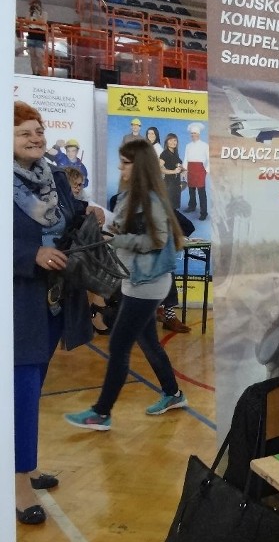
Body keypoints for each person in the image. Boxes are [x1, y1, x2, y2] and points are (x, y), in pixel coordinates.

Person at [64, 139, 188, 431]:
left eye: (126, 162)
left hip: (149, 283)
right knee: (147, 342)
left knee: (119, 344)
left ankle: (101, 412)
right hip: (134, 280)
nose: (120, 167)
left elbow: (157, 240)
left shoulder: (153, 201)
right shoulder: (128, 197)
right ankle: (173, 393)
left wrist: (119, 239)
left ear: (139, 165)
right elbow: (123, 233)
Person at [13, 101, 97, 524]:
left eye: (39, 130)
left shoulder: (54, 178)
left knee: (34, 387)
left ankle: (26, 465)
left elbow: (71, 217)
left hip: (53, 301)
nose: (36, 138)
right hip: (18, 306)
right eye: (25, 132)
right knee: (22, 393)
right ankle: (18, 483)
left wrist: (92, 213)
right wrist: (32, 254)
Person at [183, 122, 210, 220]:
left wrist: (206, 170)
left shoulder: (204, 145)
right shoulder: (188, 146)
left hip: (199, 169)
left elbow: (209, 159)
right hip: (190, 168)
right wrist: (184, 169)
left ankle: (204, 212)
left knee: (201, 192)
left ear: (199, 134)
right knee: (191, 190)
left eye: (195, 133)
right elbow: (186, 158)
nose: (193, 135)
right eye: (192, 133)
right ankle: (192, 206)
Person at [159, 132, 184, 211]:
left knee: (174, 207)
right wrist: (173, 171)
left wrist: (182, 169)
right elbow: (159, 168)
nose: (173, 142)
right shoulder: (165, 154)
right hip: (169, 184)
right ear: (166, 142)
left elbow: (177, 164)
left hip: (176, 183)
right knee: (169, 208)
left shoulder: (175, 153)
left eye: (175, 140)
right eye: (170, 140)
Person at [26, 0, 47, 76]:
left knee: (39, 54)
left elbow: (43, 22)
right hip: (31, 34)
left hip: (40, 35)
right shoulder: (30, 13)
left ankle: (40, 71)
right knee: (32, 55)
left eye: (36, 6)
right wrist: (31, 12)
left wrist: (38, 14)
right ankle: (34, 72)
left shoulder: (44, 13)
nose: (35, 7)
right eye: (34, 5)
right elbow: (27, 22)